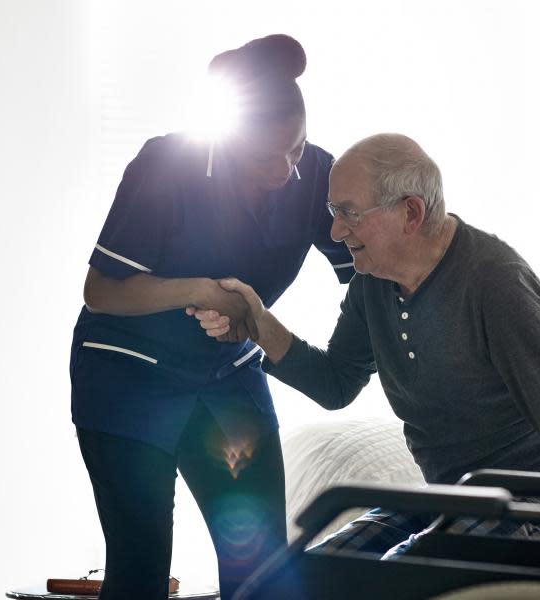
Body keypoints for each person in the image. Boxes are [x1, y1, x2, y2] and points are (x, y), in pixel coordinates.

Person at [190, 132, 540, 558]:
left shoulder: (496, 284)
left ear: (410, 212)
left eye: (349, 213)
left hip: (526, 505)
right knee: (315, 572)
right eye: (332, 211)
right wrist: (259, 322)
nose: (335, 230)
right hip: (447, 496)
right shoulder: (373, 283)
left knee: (395, 575)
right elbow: (335, 383)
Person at [70, 35, 354, 599]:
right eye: (264, 157)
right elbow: (100, 290)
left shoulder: (318, 173)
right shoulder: (166, 164)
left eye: (295, 149)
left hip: (227, 376)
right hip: (127, 377)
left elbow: (367, 266)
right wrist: (197, 289)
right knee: (140, 569)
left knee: (264, 570)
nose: (285, 171)